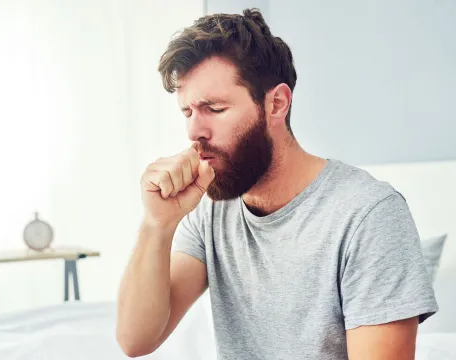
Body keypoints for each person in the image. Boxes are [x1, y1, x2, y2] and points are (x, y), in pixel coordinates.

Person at [116, 8, 438, 360]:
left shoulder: (368, 215)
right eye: (188, 112)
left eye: (215, 109)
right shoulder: (211, 211)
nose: (195, 132)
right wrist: (156, 225)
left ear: (276, 104)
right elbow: (136, 341)